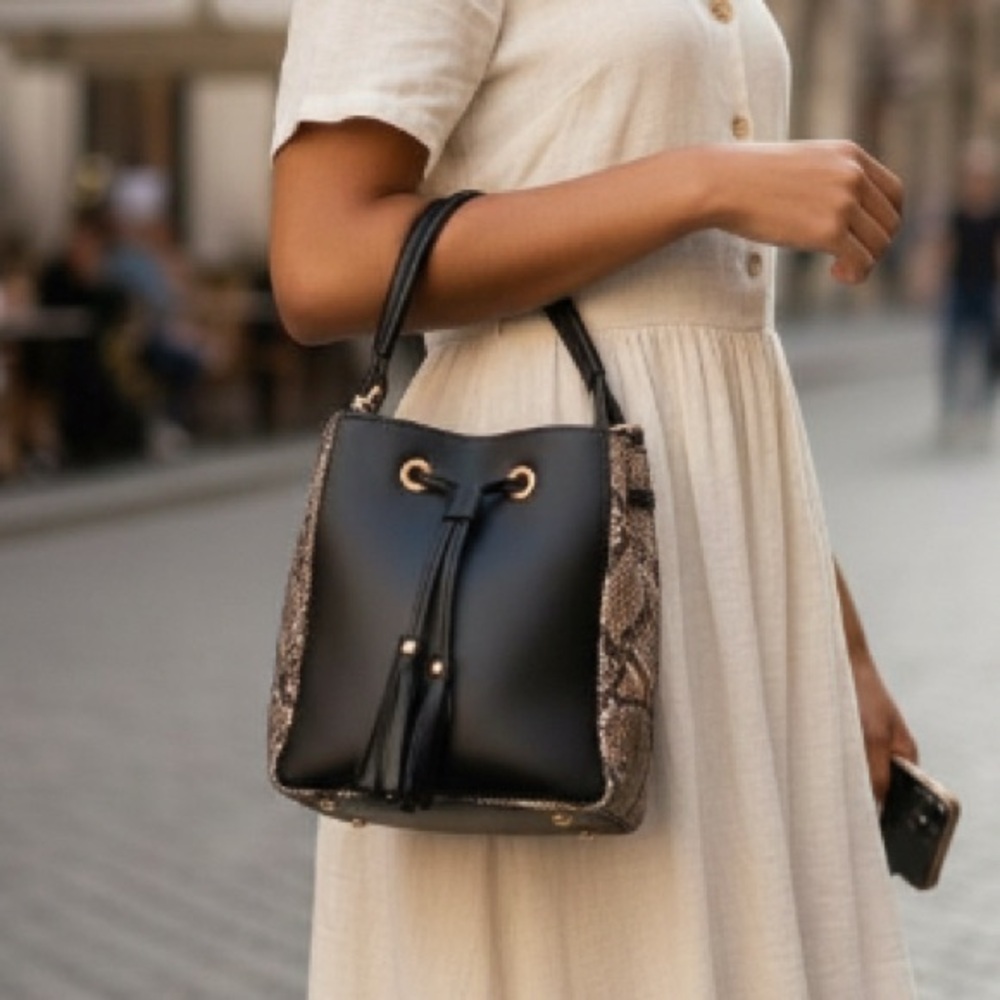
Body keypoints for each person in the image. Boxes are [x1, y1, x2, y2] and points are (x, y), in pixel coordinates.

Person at [269, 2, 919, 997]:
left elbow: (705, 345)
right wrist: (701, 183)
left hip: (730, 562)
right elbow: (320, 260)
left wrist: (841, 641)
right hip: (528, 543)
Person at [939, 139, 1000, 449]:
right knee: (952, 350)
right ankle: (950, 412)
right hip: (960, 289)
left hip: (987, 289)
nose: (977, 183)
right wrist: (931, 276)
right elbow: (947, 247)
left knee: (991, 353)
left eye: (982, 177)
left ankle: (982, 412)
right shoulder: (959, 213)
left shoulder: (995, 215)